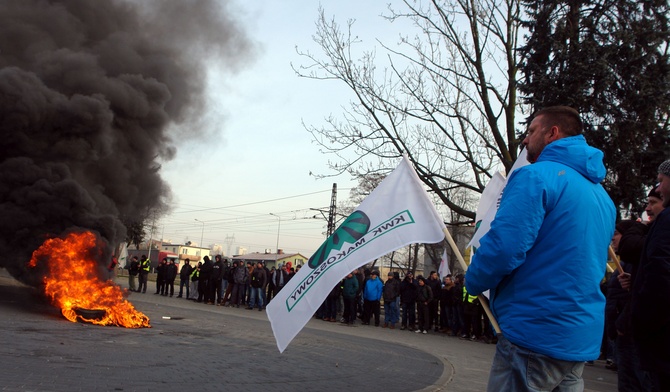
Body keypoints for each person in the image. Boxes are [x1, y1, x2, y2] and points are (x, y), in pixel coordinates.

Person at [465, 106, 616, 391]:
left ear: (552, 133)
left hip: (535, 330)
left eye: (531, 131)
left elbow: (504, 248)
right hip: (577, 338)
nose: (524, 140)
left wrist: (473, 281)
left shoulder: (535, 177)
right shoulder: (602, 197)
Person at [629, 160, 670, 391]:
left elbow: (660, 273)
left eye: (661, 181)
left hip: (661, 339)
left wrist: (643, 320)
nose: (658, 188)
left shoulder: (666, 220)